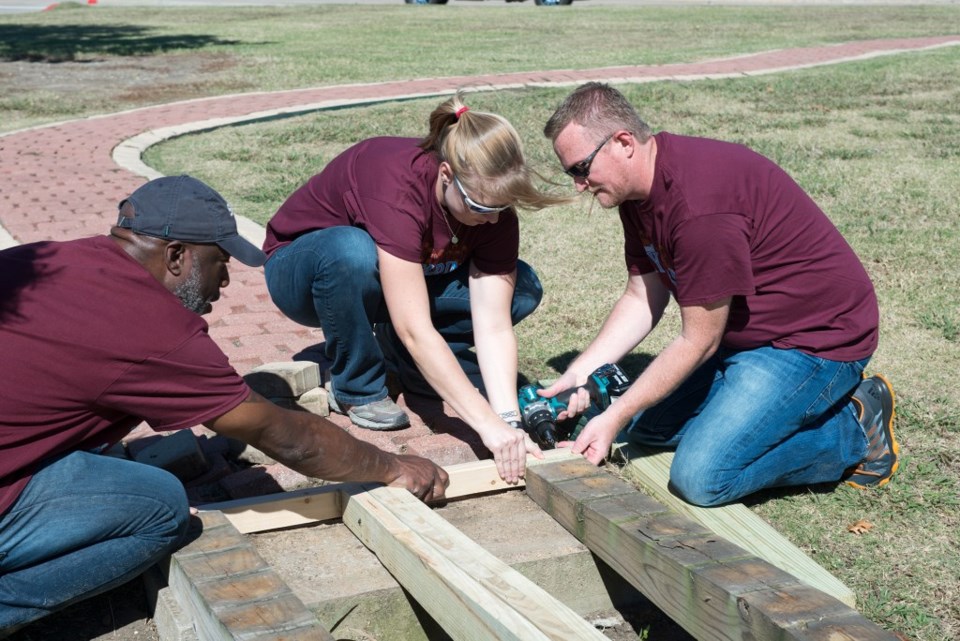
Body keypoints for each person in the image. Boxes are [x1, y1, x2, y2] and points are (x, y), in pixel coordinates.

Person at [0, 175, 448, 634]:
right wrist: (391, 466)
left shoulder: (48, 258)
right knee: (160, 507)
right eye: (220, 261)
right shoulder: (151, 326)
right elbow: (282, 435)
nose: (227, 279)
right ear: (177, 256)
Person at [539, 82, 898, 507]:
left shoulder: (697, 207)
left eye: (581, 168)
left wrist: (612, 417)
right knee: (647, 428)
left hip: (812, 342)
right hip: (743, 335)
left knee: (701, 477)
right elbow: (642, 295)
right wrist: (581, 373)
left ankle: (855, 425)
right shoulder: (638, 193)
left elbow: (699, 339)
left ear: (623, 143)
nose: (579, 185)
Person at [263, 94, 569, 484]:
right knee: (351, 252)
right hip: (304, 271)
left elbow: (492, 326)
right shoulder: (397, 183)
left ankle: (409, 363)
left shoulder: (492, 209)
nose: (492, 221)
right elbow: (415, 328)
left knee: (521, 289)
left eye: (500, 209)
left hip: (400, 277)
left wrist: (506, 421)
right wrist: (485, 428)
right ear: (446, 176)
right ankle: (357, 387)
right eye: (480, 207)